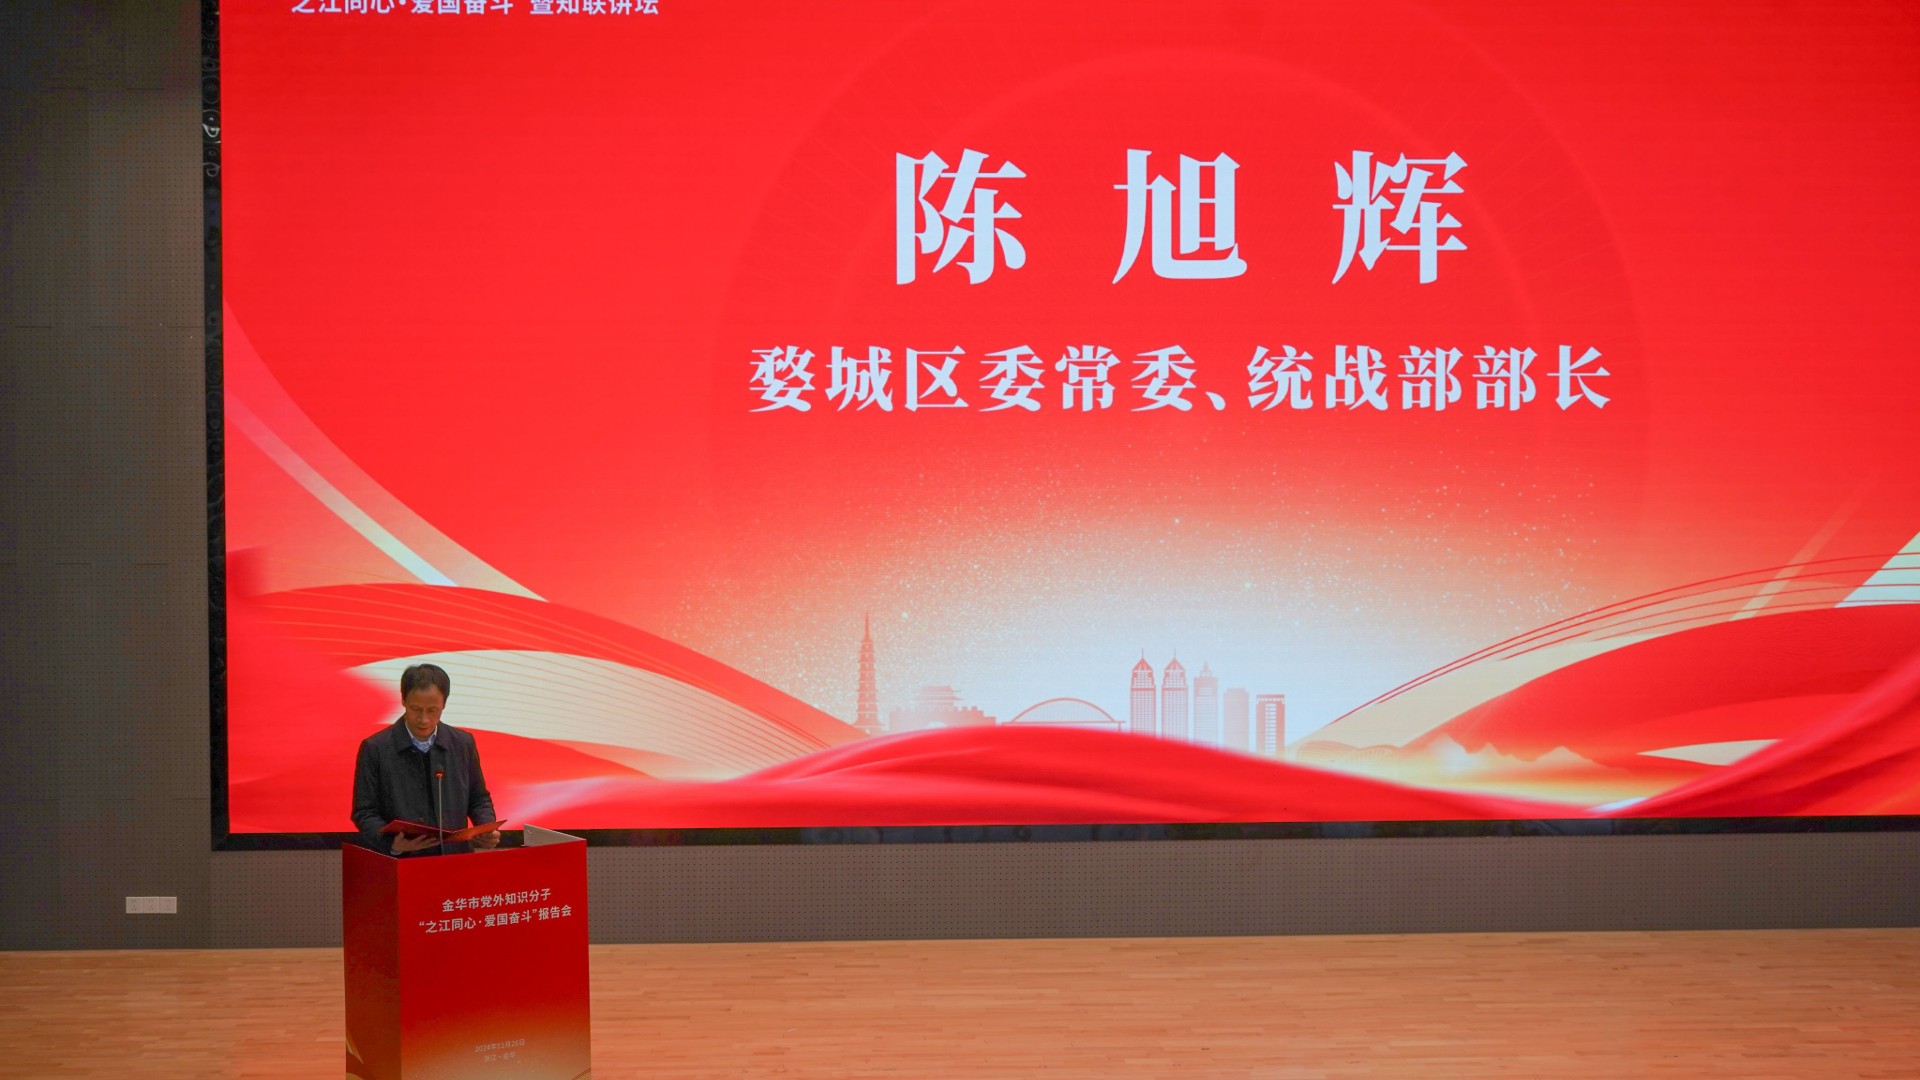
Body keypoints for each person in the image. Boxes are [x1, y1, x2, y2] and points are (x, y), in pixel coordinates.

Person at [351, 663, 500, 855]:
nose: (423, 719)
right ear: (403, 700)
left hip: (454, 860)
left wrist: (486, 828)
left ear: (444, 704)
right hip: (402, 861)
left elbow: (478, 798)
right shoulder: (376, 748)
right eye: (416, 709)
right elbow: (364, 812)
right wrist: (392, 844)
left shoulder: (462, 743)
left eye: (432, 710)